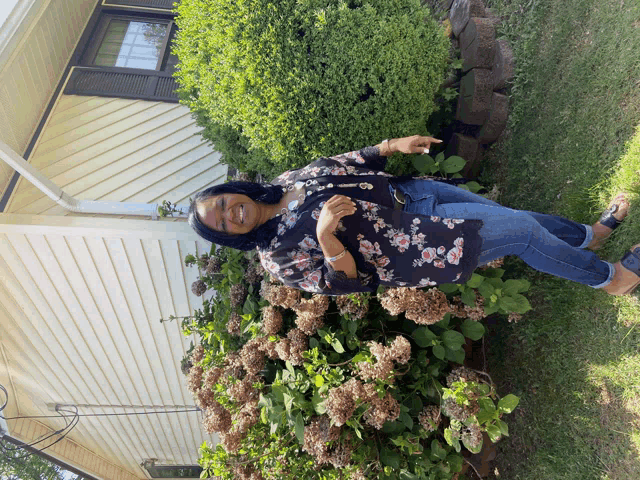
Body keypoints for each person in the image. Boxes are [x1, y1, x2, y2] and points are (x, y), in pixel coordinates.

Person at [188, 135, 639, 296]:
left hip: (414, 196)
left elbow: (341, 164)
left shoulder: (285, 181)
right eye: (222, 224)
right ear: (229, 236)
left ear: (231, 191)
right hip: (418, 244)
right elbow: (344, 284)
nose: (232, 214)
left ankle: (586, 236)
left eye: (224, 204)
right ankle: (612, 279)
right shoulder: (277, 257)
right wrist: (327, 238)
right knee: (519, 232)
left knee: (512, 216)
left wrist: (389, 147)